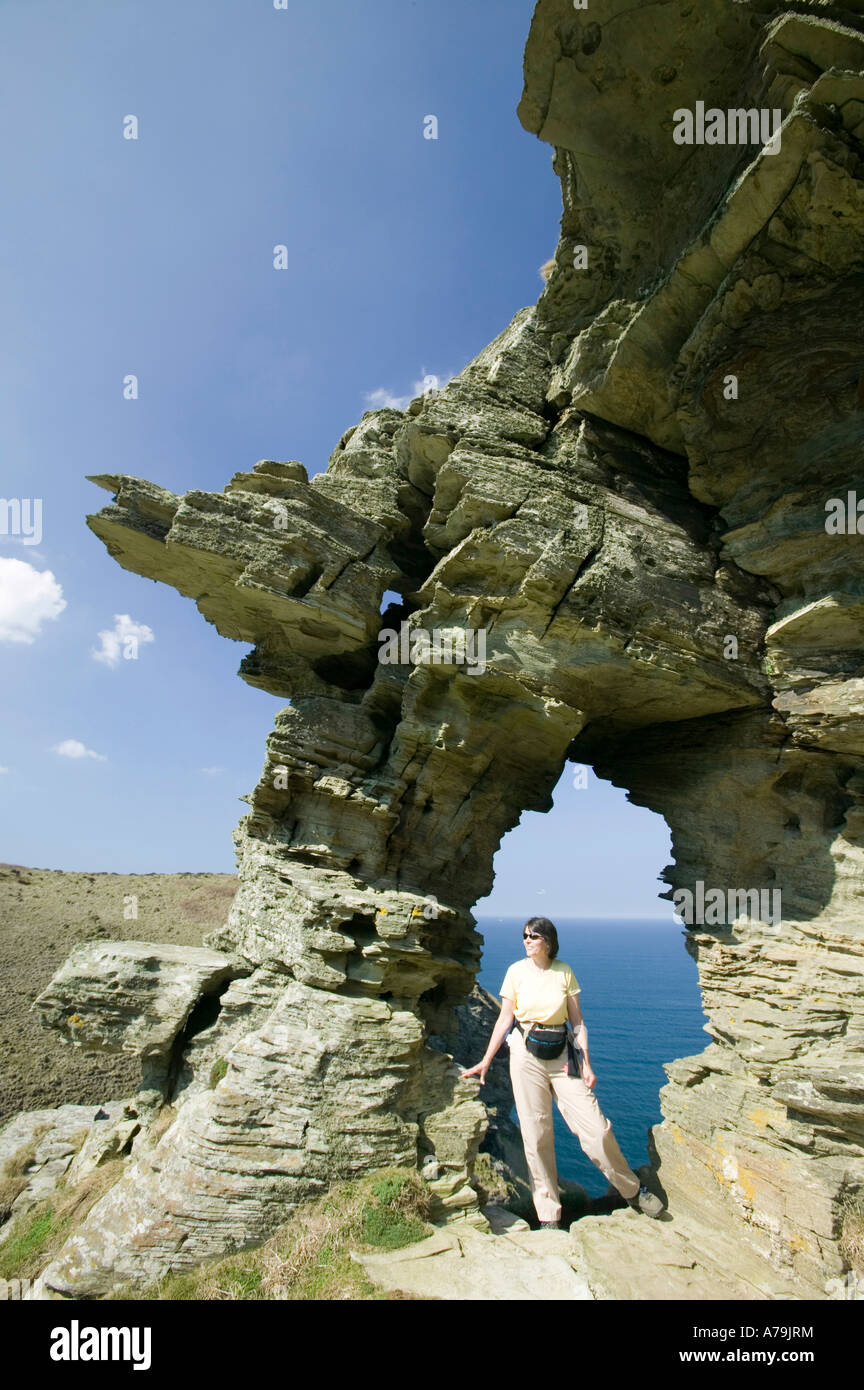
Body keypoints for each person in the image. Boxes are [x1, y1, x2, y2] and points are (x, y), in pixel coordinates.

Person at [461, 916, 665, 1229]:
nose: (527, 940)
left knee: (597, 1131)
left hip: (562, 1056)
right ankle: (549, 1218)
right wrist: (487, 1059)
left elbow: (578, 1021)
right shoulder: (515, 972)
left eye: (534, 936)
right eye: (524, 935)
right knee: (536, 1135)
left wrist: (587, 1063)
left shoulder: (563, 972)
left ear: (548, 941)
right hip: (525, 1056)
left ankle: (633, 1191)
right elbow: (504, 1020)